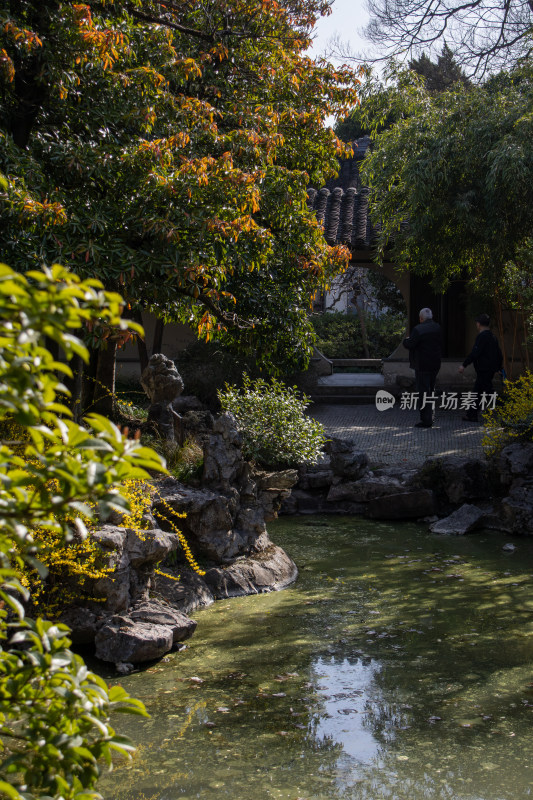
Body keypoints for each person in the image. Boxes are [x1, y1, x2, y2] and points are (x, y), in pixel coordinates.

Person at [458, 313, 503, 422]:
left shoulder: (482, 336)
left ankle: (507, 408)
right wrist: (498, 367)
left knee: (488, 392)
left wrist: (464, 364)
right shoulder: (493, 337)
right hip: (490, 369)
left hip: (484, 369)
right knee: (478, 392)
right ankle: (471, 415)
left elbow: (475, 353)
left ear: (478, 324)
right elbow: (499, 354)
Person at [403, 307, 443, 428]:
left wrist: (406, 340)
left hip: (422, 365)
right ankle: (431, 416)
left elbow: (411, 344)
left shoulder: (418, 329)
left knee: (423, 392)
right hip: (435, 363)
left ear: (421, 318)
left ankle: (426, 420)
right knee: (431, 390)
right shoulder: (437, 327)